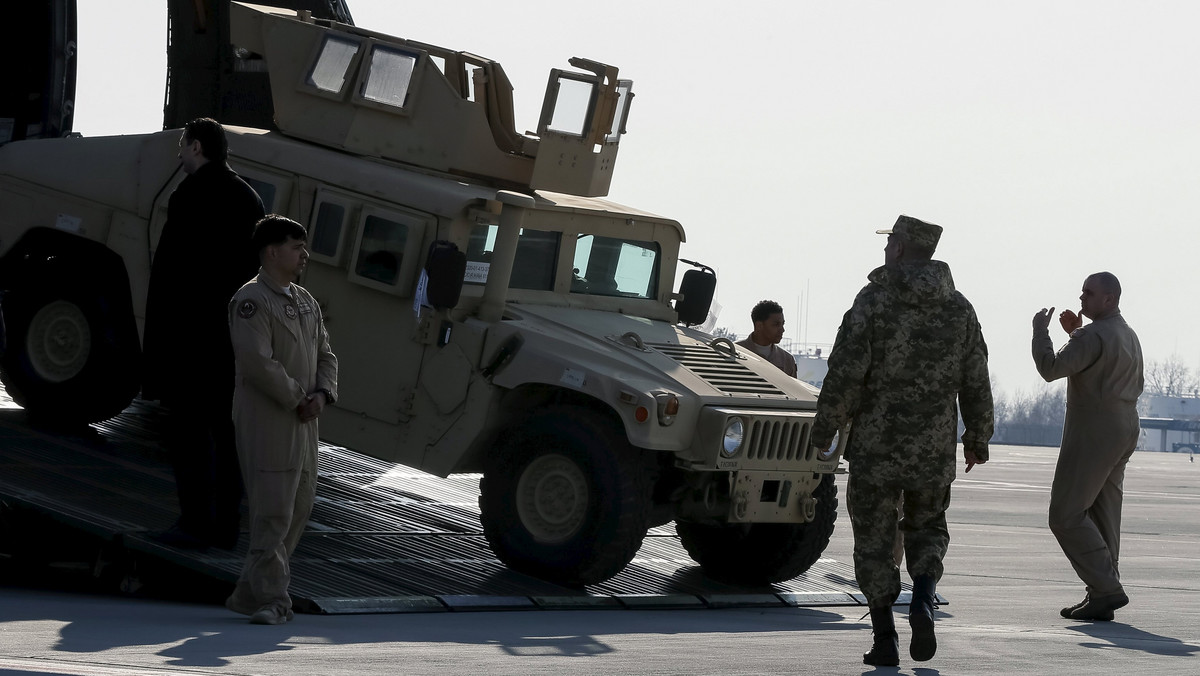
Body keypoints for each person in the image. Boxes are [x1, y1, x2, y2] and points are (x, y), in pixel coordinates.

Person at [811, 215, 993, 666]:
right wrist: (977, 436)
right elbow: (976, 377)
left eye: (891, 240)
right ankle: (923, 597)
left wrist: (826, 425)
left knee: (874, 541)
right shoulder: (960, 308)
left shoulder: (874, 300)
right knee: (928, 528)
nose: (886, 247)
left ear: (903, 247)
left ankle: (885, 639)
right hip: (933, 449)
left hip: (877, 447)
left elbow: (847, 371)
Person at [142, 117, 265, 550]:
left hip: (191, 338)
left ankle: (194, 523)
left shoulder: (189, 194)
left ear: (196, 147)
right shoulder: (249, 198)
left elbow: (172, 274)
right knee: (227, 437)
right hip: (232, 340)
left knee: (189, 434)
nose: (179, 154)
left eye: (182, 145)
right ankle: (226, 527)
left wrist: (158, 341)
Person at [225, 215, 338, 625]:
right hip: (268, 418)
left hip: (306, 420)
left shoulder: (305, 301)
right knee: (272, 509)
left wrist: (322, 395)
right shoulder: (251, 301)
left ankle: (247, 593)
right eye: (296, 247)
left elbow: (326, 355)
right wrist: (297, 398)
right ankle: (275, 600)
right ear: (272, 252)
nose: (304, 254)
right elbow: (257, 362)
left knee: (299, 505)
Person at [1031, 272, 1142, 622]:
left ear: (1109, 299)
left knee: (1065, 514)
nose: (1081, 298)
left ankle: (1106, 588)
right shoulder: (1126, 333)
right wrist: (1075, 335)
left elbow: (1051, 369)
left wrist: (1040, 333)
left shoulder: (1092, 334)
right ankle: (1101, 592)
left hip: (1094, 429)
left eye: (1089, 293)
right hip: (1124, 426)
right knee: (1104, 512)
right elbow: (1096, 361)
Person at [736, 300, 797, 377]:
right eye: (776, 324)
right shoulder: (735, 352)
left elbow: (791, 388)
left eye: (782, 324)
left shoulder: (787, 360)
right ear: (759, 326)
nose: (782, 330)